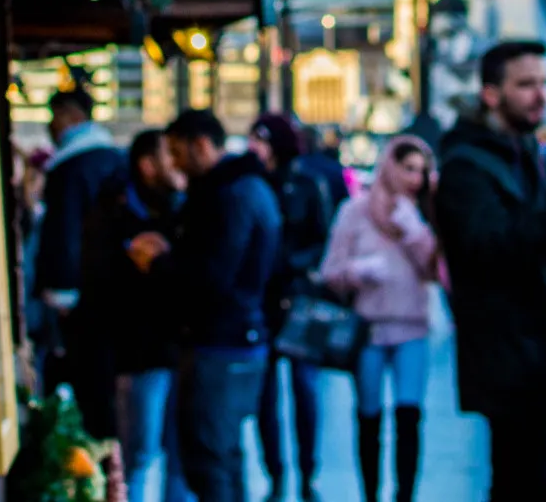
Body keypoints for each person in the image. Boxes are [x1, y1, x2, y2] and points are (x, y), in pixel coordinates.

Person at [434, 41, 546, 502]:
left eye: (544, 83)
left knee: (529, 472)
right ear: (492, 94)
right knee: (519, 474)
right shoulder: (466, 166)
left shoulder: (531, 152)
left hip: (537, 349)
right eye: (526, 84)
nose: (540, 95)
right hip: (505, 351)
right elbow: (489, 248)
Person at [147, 110, 283, 502]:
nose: (172, 162)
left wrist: (159, 264)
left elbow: (213, 273)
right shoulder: (244, 187)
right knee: (223, 454)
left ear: (201, 145)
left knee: (211, 457)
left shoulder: (230, 194)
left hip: (221, 340)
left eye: (176, 151)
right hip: (239, 335)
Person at [319, 135, 440, 502]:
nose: (414, 178)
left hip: (412, 326)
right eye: (407, 168)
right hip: (369, 328)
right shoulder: (356, 211)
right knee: (369, 416)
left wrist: (415, 230)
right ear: (391, 166)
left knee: (408, 416)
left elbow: (437, 269)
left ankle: (405, 493)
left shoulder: (425, 211)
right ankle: (369, 493)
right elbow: (331, 270)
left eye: (422, 170)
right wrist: (358, 271)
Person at [86, 130, 191, 502]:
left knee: (177, 456)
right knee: (140, 454)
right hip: (140, 350)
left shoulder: (181, 205)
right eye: (169, 155)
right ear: (148, 165)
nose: (176, 163)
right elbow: (103, 281)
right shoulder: (116, 210)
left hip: (173, 347)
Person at [251, 114, 336, 502]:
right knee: (266, 393)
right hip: (263, 300)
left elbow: (323, 239)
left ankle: (306, 469)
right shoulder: (255, 186)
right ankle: (276, 469)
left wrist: (294, 264)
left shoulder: (307, 185)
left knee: (305, 388)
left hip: (299, 301)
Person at [37, 90, 131, 401]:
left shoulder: (72, 168)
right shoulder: (110, 158)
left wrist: (61, 289)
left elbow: (64, 230)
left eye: (56, 116)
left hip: (82, 290)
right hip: (108, 285)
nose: (51, 125)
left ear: (72, 115)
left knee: (85, 376)